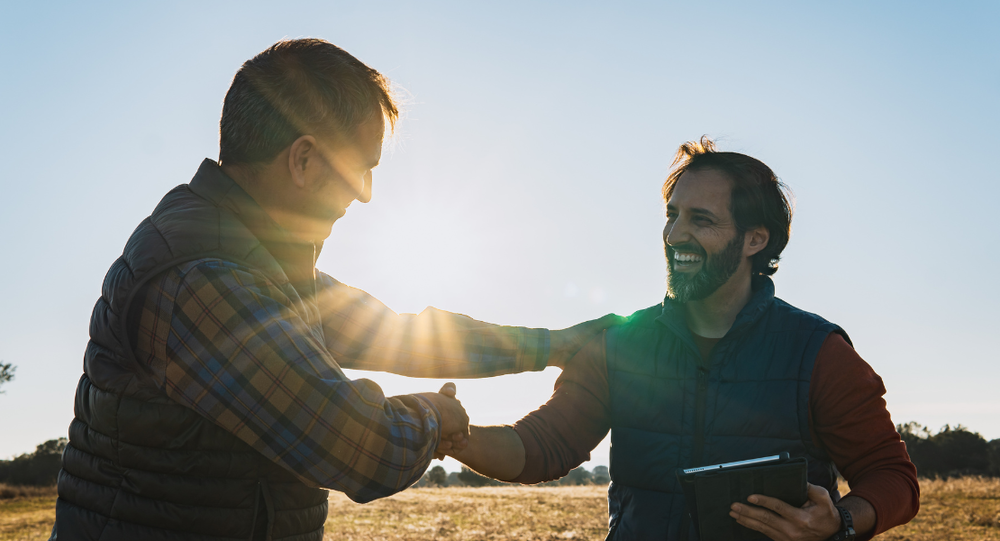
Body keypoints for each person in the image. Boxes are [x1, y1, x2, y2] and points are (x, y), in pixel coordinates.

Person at [50, 39, 615, 541]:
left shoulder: (262, 263)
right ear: (302, 160)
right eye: (362, 168)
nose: (367, 195)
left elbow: (404, 337)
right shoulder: (203, 281)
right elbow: (357, 446)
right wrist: (435, 416)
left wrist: (554, 345)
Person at [448, 138, 920, 541]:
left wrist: (840, 521)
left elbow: (892, 477)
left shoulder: (818, 353)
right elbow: (538, 448)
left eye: (701, 220)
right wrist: (452, 436)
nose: (675, 235)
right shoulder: (619, 342)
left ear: (755, 240)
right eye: (672, 216)